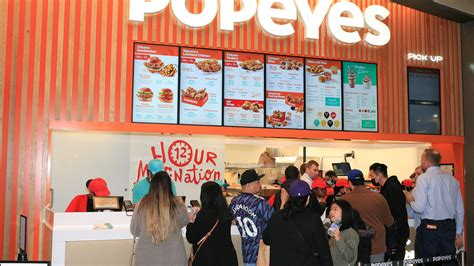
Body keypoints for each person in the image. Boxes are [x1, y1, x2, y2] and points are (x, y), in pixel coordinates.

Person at [405, 149, 464, 265]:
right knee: (449, 261)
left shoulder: (424, 178)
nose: (421, 161)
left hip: (429, 228)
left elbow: (419, 208)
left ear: (427, 161)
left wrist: (410, 200)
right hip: (449, 227)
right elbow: (460, 209)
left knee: (429, 262)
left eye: (422, 159)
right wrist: (459, 233)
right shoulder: (452, 180)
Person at [263, 180, 333, 266]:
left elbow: (266, 240)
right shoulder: (313, 219)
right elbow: (324, 251)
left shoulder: (276, 216)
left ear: (290, 197)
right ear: (307, 199)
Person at [130, 171, 189, 266]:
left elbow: (134, 231)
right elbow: (185, 221)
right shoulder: (178, 203)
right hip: (175, 259)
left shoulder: (141, 203)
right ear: (170, 185)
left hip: (146, 259)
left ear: (152, 185)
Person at [342, 169, 394, 263]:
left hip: (354, 247)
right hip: (376, 244)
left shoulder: (343, 200)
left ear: (349, 182)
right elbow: (389, 222)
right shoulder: (379, 197)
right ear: (363, 181)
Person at [186, 181, 238, 266]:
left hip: (207, 259)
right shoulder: (226, 213)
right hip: (227, 258)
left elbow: (191, 238)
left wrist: (191, 222)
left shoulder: (203, 214)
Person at [230, 169, 273, 266]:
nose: (260, 185)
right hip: (261, 253)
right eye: (257, 182)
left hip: (246, 252)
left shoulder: (234, 202)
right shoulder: (260, 203)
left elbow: (231, 220)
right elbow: (274, 221)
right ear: (248, 185)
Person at [371, 163, 409, 261]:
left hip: (396, 233)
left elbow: (393, 212)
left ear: (379, 175)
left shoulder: (392, 188)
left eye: (372, 175)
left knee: (395, 260)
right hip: (392, 232)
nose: (372, 178)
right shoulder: (387, 188)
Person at [327, 200, 360, 266]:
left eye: (335, 209)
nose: (331, 212)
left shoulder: (350, 233)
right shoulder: (334, 232)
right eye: (330, 210)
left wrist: (338, 239)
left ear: (345, 212)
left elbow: (350, 257)